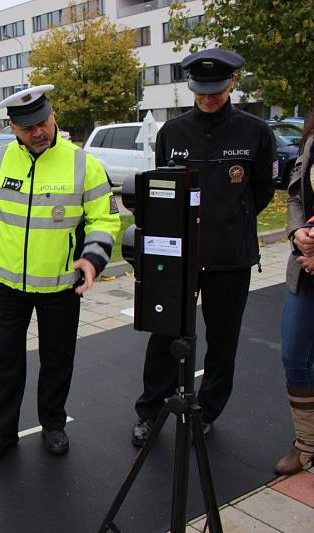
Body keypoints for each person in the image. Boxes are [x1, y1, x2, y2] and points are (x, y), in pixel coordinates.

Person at [0, 85, 120, 458]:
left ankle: (53, 424)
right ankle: (3, 431)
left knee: (57, 359)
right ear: (13, 129)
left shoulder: (83, 163)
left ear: (53, 117)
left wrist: (93, 258)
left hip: (60, 286)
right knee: (6, 360)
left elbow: (104, 219)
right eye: (28, 126)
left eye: (43, 122)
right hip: (8, 284)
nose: (38, 132)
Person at [131, 49, 277, 446]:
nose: (209, 97)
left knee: (222, 339)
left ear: (231, 83)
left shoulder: (255, 132)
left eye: (216, 89)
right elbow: (163, 191)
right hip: (180, 256)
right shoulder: (172, 134)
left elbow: (262, 189)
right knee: (164, 334)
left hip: (231, 256)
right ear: (190, 87)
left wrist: (233, 219)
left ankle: (206, 411)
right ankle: (150, 409)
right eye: (201, 91)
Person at [274, 110, 314, 475]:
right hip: (305, 268)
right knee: (295, 355)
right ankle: (306, 443)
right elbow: (296, 196)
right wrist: (296, 233)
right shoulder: (311, 139)